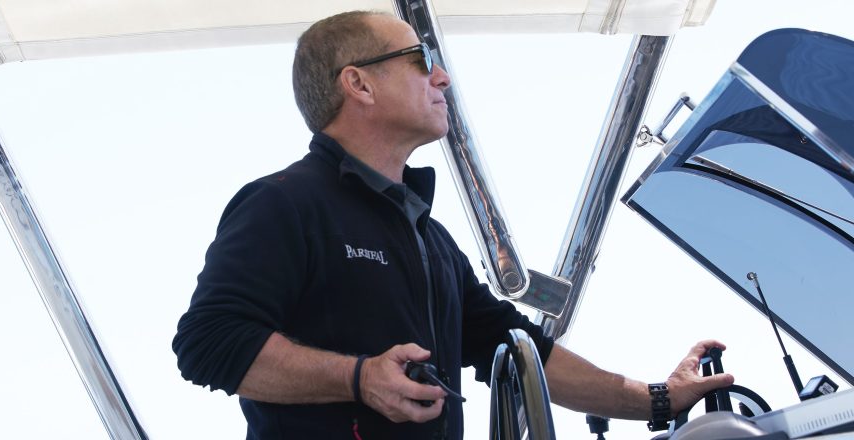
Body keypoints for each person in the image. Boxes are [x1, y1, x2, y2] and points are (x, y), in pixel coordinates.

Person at [172, 10, 734, 439]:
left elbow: (518, 346)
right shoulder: (283, 204)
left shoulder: (430, 239)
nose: (441, 77)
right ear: (359, 84)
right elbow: (208, 343)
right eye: (420, 59)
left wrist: (658, 400)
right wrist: (358, 377)